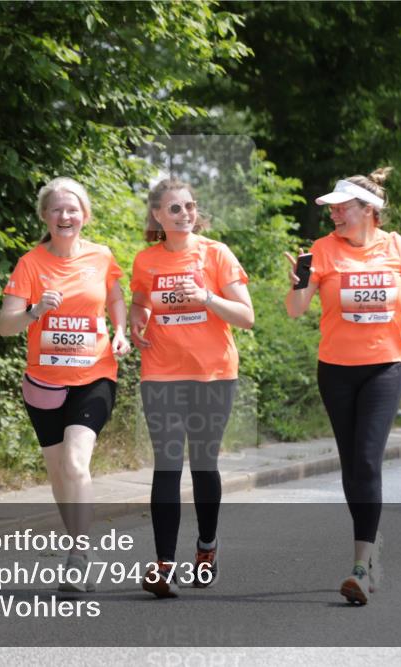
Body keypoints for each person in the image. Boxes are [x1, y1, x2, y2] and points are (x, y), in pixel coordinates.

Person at [283, 167, 401, 605]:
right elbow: (296, 310)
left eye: (342, 207)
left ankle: (360, 564)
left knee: (368, 461)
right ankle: (370, 545)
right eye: (332, 208)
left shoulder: (395, 247)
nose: (334, 214)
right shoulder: (322, 250)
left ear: (368, 210)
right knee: (352, 466)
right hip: (335, 370)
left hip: (385, 368)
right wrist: (298, 284)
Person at [0, 177, 130, 592]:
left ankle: (79, 556)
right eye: (56, 209)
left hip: (95, 375)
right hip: (44, 382)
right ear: (44, 216)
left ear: (84, 215)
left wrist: (121, 331)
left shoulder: (101, 257)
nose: (65, 216)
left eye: (72, 209)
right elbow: (5, 326)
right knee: (58, 475)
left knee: (75, 463)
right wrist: (35, 311)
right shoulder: (30, 264)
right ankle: (79, 547)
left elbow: (115, 298)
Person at [130, 178, 254, 598]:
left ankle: (206, 548)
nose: (185, 214)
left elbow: (246, 316)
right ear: (157, 215)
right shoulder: (146, 260)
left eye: (189, 206)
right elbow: (141, 301)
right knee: (167, 465)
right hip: (160, 372)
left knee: (203, 464)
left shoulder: (216, 254)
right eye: (175, 208)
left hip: (212, 374)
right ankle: (164, 565)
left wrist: (206, 298)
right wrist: (137, 318)